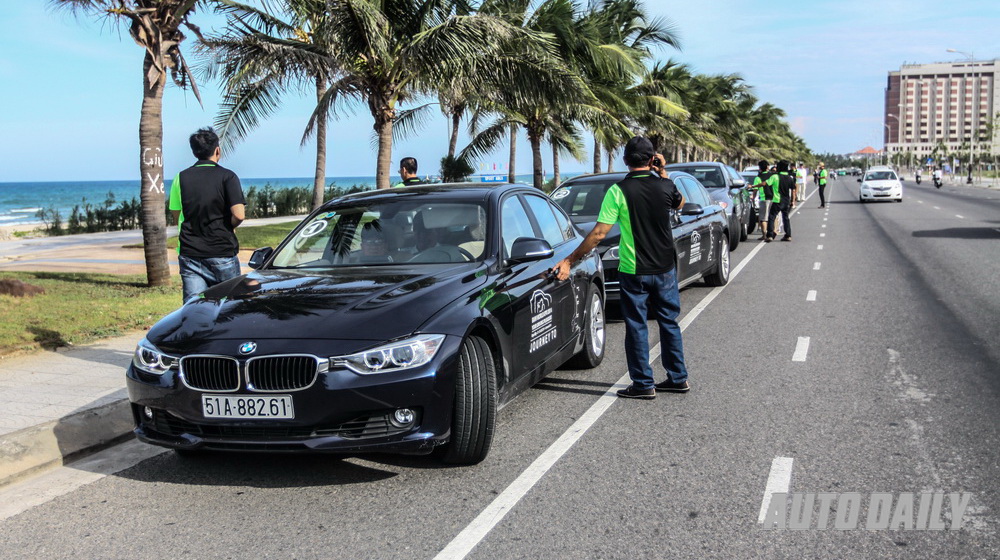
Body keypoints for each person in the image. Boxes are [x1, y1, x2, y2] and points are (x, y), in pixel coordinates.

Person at [553, 136, 688, 400]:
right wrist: (662, 172)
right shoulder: (665, 186)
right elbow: (679, 203)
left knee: (637, 325)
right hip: (664, 267)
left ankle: (643, 384)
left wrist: (569, 260)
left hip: (633, 269)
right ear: (652, 159)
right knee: (669, 322)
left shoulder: (618, 191)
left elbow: (599, 234)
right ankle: (678, 378)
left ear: (625, 161)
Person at [169, 127, 245, 302]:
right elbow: (239, 215)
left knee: (193, 307)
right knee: (229, 307)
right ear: (217, 150)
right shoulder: (228, 176)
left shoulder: (180, 177)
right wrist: (229, 226)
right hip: (221, 251)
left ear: (194, 151)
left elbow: (176, 214)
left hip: (190, 253)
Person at [770, 161, 796, 242]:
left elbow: (766, 184)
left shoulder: (775, 176)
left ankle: (770, 235)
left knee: (771, 217)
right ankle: (788, 235)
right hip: (786, 201)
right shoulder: (789, 178)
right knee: (786, 218)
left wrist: (754, 186)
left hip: (777, 200)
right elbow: (793, 190)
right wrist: (793, 201)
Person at [752, 160, 775, 241]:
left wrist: (753, 198)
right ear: (767, 167)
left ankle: (764, 235)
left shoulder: (758, 178)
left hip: (764, 199)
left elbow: (755, 190)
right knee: (773, 216)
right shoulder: (772, 175)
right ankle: (773, 232)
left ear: (760, 168)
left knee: (763, 218)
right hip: (774, 198)